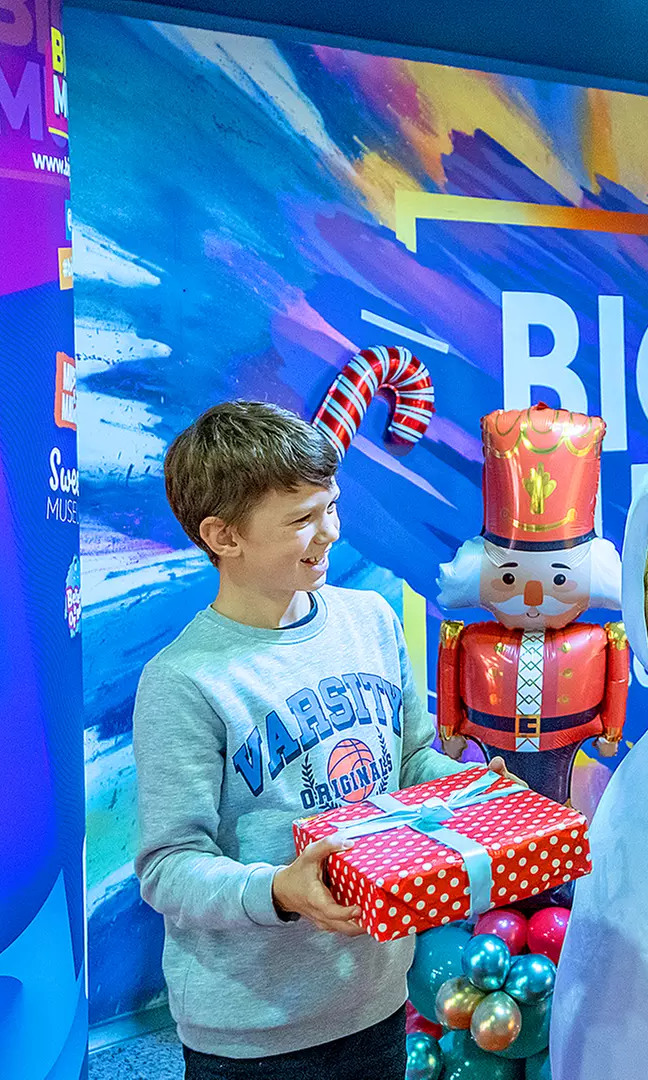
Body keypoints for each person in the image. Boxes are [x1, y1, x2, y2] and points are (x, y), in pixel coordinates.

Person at [133, 400, 519, 1079]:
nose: (330, 531)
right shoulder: (182, 682)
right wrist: (281, 889)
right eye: (301, 520)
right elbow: (169, 866)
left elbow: (406, 761)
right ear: (224, 536)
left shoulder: (371, 619)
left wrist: (474, 795)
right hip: (252, 1032)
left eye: (331, 506)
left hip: (374, 996)